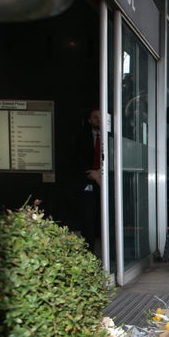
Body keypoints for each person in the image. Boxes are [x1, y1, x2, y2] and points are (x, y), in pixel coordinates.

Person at [71, 107, 103, 253]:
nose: (98, 119)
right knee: (88, 217)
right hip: (88, 180)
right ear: (89, 120)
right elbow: (77, 157)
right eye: (95, 117)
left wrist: (101, 173)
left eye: (100, 116)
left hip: (106, 178)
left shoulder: (111, 136)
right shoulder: (82, 136)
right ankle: (89, 252)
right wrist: (93, 174)